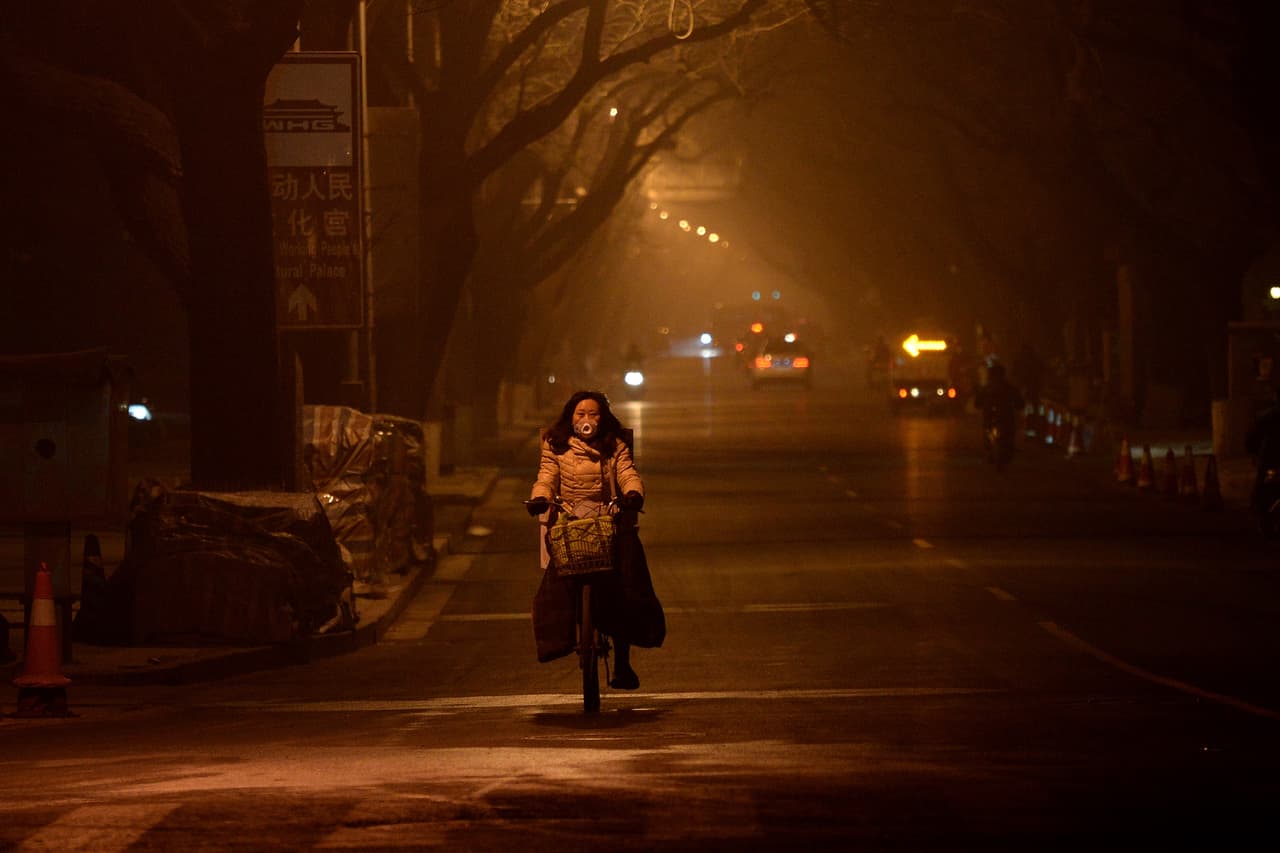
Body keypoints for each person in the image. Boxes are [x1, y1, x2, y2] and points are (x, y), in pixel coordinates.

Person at [526, 390, 665, 689]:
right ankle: (559, 641)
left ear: (602, 418)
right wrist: (539, 498)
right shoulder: (555, 444)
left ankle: (623, 662)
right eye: (581, 414)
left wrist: (633, 493)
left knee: (628, 579)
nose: (586, 419)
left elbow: (627, 473)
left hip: (607, 519)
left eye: (593, 414)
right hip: (569, 520)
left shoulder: (615, 444)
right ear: (570, 417)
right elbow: (546, 477)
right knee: (556, 584)